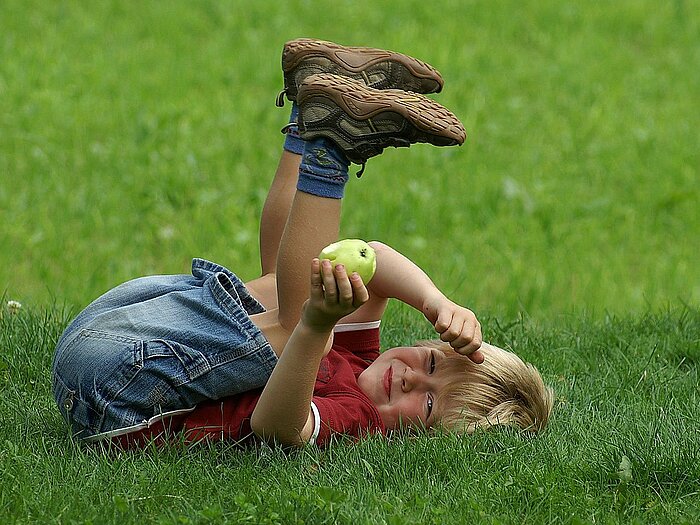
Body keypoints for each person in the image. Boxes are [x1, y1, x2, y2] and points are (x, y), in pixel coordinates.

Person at [51, 38, 553, 449]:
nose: (411, 379)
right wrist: (435, 301)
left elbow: (277, 429)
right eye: (431, 363)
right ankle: (315, 112)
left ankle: (326, 143)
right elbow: (374, 259)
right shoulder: (362, 361)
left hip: (116, 392)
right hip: (125, 329)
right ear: (426, 344)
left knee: (302, 321)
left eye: (427, 403)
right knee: (292, 284)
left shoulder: (360, 418)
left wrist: (313, 326)